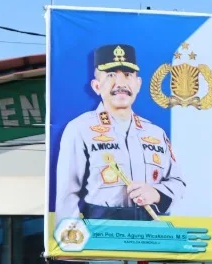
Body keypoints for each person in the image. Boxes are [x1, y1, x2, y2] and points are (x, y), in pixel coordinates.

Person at [55, 43, 185, 222]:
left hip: (149, 236)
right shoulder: (79, 129)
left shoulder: (156, 133)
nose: (121, 83)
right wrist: (73, 243)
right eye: (110, 75)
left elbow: (178, 182)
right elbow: (67, 193)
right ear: (96, 86)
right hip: (101, 235)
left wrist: (157, 194)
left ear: (138, 84)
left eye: (128, 75)